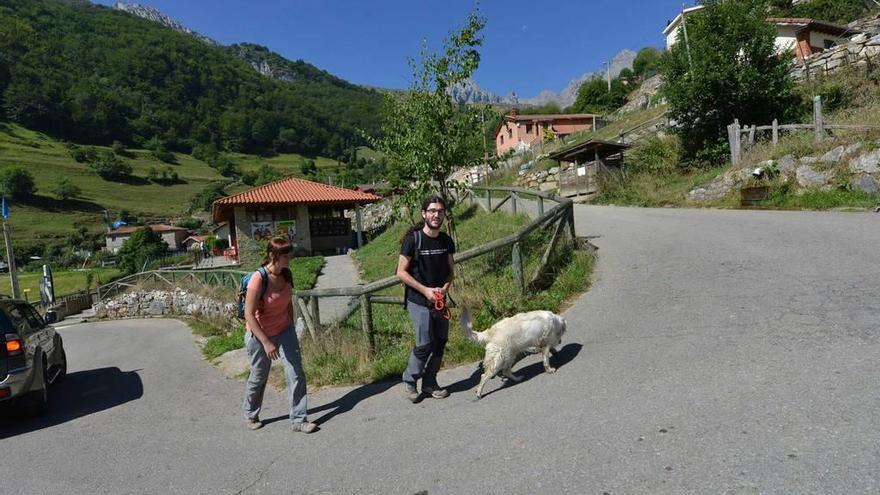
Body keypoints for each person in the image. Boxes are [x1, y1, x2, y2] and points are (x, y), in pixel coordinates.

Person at [242, 237, 316, 433]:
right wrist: (266, 342)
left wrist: (290, 326)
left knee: (295, 372)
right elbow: (248, 314)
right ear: (272, 256)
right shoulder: (258, 278)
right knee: (259, 376)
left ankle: (299, 419)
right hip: (260, 334)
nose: (289, 258)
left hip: (284, 330)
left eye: (289, 254)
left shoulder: (286, 274)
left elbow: (288, 301)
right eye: (285, 255)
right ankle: (251, 413)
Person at [396, 195, 456, 402]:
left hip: (439, 299)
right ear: (424, 214)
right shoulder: (413, 240)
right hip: (418, 300)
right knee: (424, 344)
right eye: (432, 211)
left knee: (440, 342)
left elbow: (451, 272)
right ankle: (410, 380)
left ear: (444, 214)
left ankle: (430, 383)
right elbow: (401, 272)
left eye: (440, 211)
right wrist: (426, 290)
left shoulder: (446, 241)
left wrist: (444, 289)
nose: (436, 215)